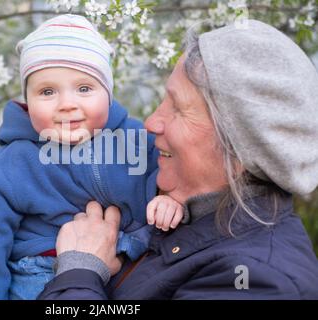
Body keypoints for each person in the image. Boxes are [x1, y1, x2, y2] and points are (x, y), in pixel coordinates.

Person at [38, 19, 318, 299]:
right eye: (163, 100)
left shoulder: (259, 281)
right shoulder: (161, 197)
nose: (151, 123)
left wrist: (78, 273)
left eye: (179, 109)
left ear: (239, 151)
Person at [0, 14, 183, 300]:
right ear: (28, 100)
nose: (67, 104)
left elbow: (171, 175)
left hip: (131, 266)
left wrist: (169, 199)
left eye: (84, 88)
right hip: (40, 274)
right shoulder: (10, 165)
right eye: (47, 91)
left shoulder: (138, 139)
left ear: (108, 94)